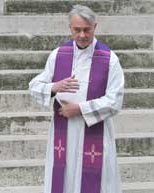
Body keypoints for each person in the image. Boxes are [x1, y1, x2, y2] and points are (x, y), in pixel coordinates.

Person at [29, 5, 124, 193]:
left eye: (86, 29)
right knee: (63, 179)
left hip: (94, 131)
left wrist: (80, 109)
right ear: (69, 28)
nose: (81, 35)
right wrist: (53, 87)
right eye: (77, 30)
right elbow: (34, 86)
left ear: (95, 26)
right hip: (63, 134)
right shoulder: (58, 55)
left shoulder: (109, 59)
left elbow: (115, 100)